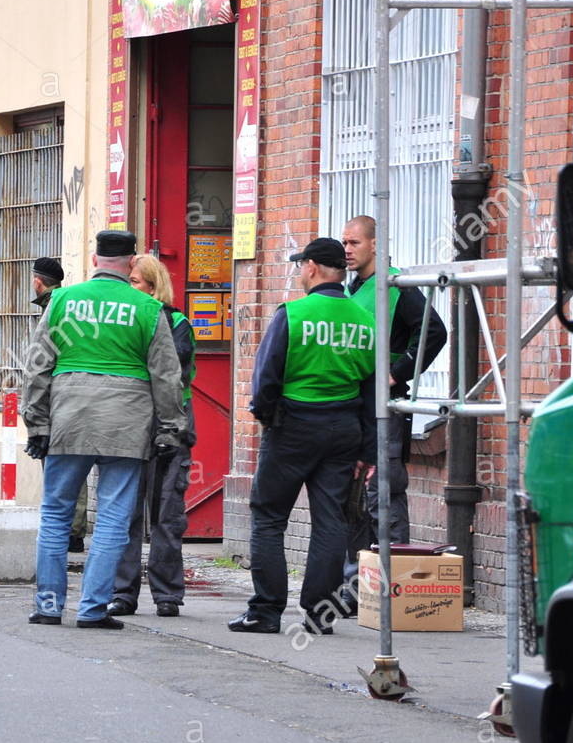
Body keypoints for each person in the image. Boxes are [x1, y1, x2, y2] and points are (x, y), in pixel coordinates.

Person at [22, 230, 185, 629]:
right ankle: (93, 609)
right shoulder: (147, 308)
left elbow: (37, 365)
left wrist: (37, 422)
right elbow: (166, 376)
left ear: (94, 259)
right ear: (132, 263)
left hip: (69, 416)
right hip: (126, 422)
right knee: (113, 518)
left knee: (56, 515)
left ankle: (48, 606)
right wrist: (170, 428)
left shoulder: (61, 300)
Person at [229, 237, 376, 636]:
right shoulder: (365, 320)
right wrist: (368, 447)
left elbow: (266, 378)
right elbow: (372, 388)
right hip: (344, 427)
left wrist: (266, 416)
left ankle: (266, 611)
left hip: (293, 425)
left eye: (300, 266)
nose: (298, 273)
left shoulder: (292, 314)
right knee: (331, 521)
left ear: (311, 267)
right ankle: (318, 614)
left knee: (269, 516)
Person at [338, 215, 447, 614]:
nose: (347, 249)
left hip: (384, 408)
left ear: (374, 245)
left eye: (354, 243)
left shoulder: (396, 285)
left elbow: (434, 331)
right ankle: (356, 588)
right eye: (344, 243)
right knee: (355, 496)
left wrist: (396, 372)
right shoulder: (356, 288)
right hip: (358, 406)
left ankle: (392, 589)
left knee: (382, 490)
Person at [107, 254, 196, 618]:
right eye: (128, 282)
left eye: (136, 282)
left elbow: (168, 372)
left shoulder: (177, 323)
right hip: (130, 422)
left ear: (154, 287)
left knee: (166, 513)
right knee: (125, 512)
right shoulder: (124, 323)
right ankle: (123, 593)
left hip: (170, 425)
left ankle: (167, 594)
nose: (130, 289)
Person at [30, 255, 87, 553]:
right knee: (72, 467)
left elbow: (38, 367)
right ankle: (73, 530)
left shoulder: (54, 309)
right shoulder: (73, 306)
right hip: (76, 401)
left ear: (37, 282)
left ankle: (67, 531)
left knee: (61, 468)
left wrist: (34, 416)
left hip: (58, 403)